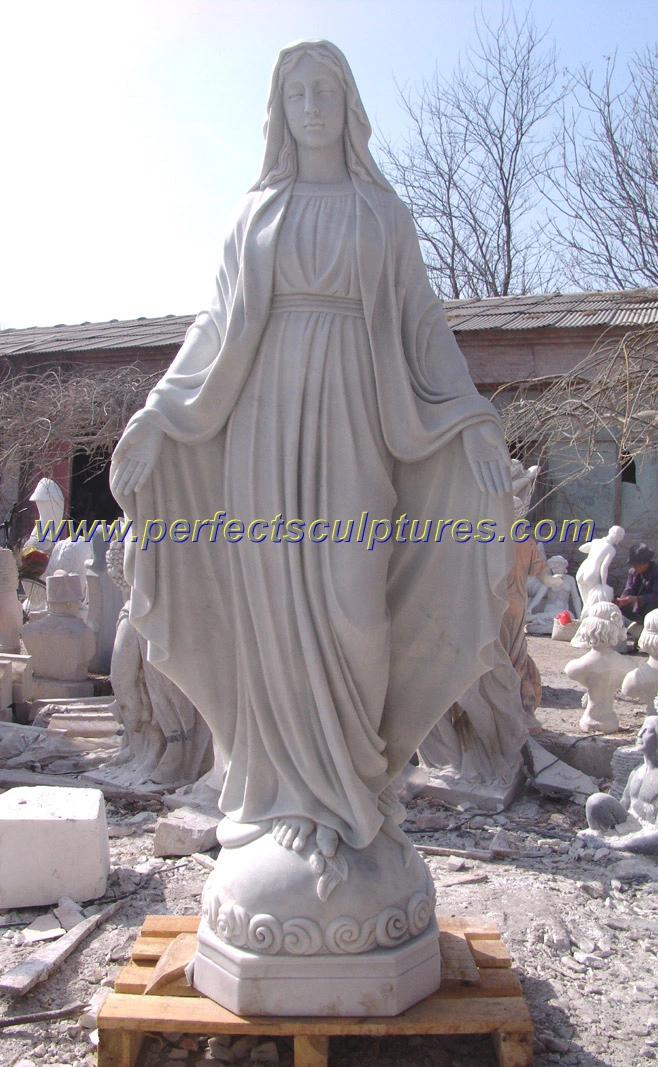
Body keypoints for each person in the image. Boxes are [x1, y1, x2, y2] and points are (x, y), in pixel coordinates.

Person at [110, 40, 512, 859]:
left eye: (325, 90)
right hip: (262, 425)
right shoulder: (255, 214)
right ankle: (285, 799)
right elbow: (215, 327)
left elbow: (423, 330)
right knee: (273, 614)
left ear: (348, 103)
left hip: (358, 425)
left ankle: (354, 790)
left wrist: (470, 418)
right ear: (279, 112)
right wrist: (159, 413)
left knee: (354, 607)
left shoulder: (382, 215)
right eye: (296, 94)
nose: (312, 107)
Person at [584, 716, 658, 854]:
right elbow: (623, 804)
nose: (639, 734)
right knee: (596, 801)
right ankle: (601, 839)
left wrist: (620, 845)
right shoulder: (637, 771)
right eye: (641, 729)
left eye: (648, 731)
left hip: (650, 834)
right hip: (631, 825)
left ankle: (614, 848)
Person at [614, 543, 658, 639]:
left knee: (651, 608)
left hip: (653, 609)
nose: (635, 567)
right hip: (638, 610)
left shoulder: (656, 572)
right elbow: (628, 589)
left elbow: (655, 596)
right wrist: (621, 600)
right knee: (617, 608)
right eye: (633, 564)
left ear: (647, 562)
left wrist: (635, 599)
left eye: (638, 565)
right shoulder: (633, 572)